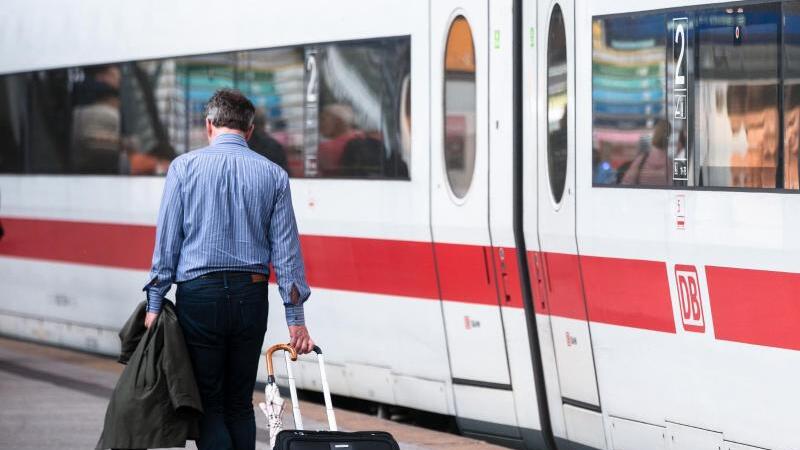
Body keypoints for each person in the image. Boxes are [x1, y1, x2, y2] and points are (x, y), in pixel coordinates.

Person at [143, 88, 314, 450]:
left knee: (210, 403)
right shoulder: (273, 175)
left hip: (199, 297)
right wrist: (295, 316)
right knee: (239, 402)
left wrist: (155, 302)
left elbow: (167, 241)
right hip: (250, 296)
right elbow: (287, 252)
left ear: (209, 125)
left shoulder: (184, 168)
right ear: (249, 130)